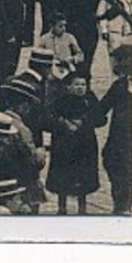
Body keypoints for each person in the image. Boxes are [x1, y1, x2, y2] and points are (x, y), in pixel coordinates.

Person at [46, 71, 101, 214]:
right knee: (62, 176)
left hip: (85, 144)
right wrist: (64, 124)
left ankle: (82, 208)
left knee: (83, 177)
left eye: (83, 84)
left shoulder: (90, 99)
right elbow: (48, 118)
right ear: (68, 86)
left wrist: (84, 122)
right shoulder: (60, 100)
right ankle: (61, 207)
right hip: (64, 144)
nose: (80, 87)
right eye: (76, 84)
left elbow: (101, 118)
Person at [95, 43, 132, 214]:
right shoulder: (119, 85)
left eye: (116, 62)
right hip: (118, 141)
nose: (114, 66)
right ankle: (122, 205)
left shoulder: (123, 85)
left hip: (128, 141)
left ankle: (124, 205)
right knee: (115, 165)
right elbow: (100, 111)